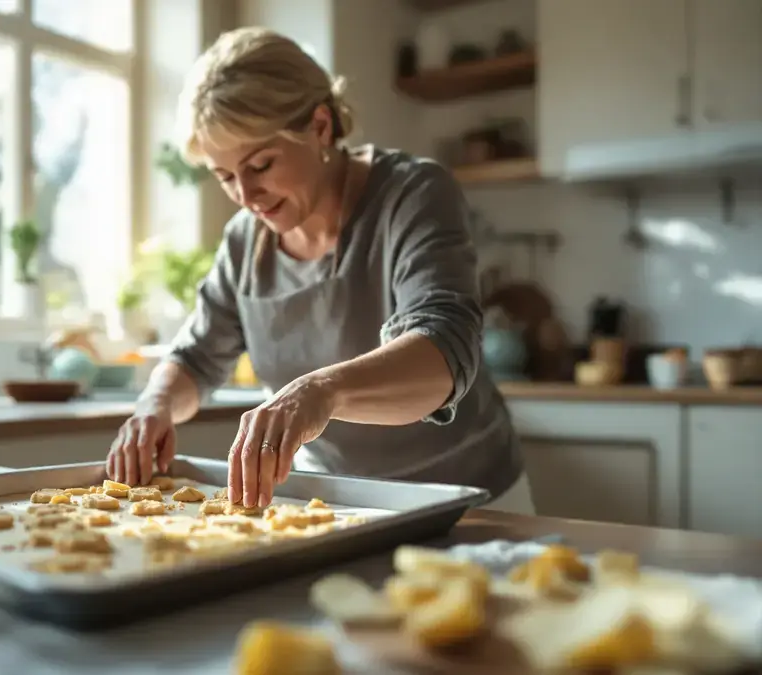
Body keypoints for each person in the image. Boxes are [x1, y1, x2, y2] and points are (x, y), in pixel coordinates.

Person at [105, 26, 535, 515]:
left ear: (321, 127)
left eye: (261, 165)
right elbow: (196, 358)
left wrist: (319, 392)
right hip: (335, 502)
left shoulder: (412, 194)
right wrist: (154, 405)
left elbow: (443, 353)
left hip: (467, 496)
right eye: (225, 177)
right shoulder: (245, 241)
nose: (246, 196)